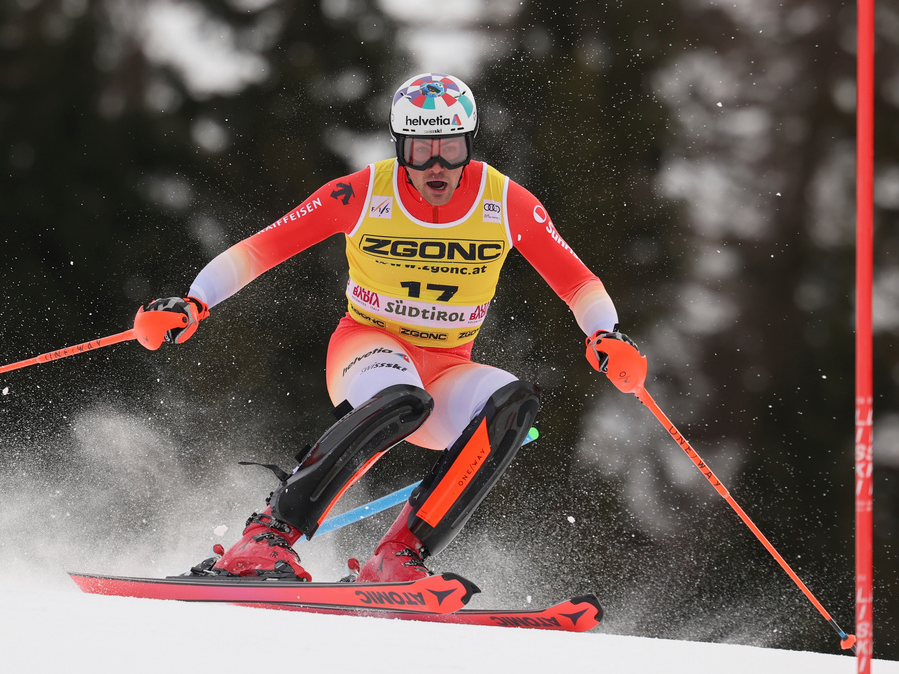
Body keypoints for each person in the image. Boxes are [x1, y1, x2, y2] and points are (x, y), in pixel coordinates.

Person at [138, 73, 642, 583]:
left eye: (451, 149)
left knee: (514, 403)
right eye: (421, 151)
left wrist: (606, 334)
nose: (437, 166)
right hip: (366, 346)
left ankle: (399, 555)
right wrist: (194, 302)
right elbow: (262, 248)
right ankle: (266, 535)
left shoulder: (506, 202)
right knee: (403, 398)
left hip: (448, 367)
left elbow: (578, 282)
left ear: (469, 144)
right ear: (400, 147)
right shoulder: (362, 193)